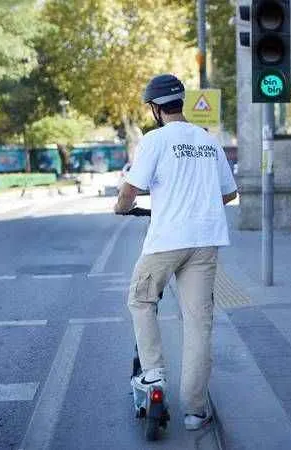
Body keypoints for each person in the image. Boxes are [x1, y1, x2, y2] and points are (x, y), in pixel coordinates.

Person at [114, 74, 238, 431]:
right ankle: (196, 411)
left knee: (141, 299)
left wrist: (122, 207)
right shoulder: (208, 140)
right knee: (198, 321)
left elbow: (130, 190)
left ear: (155, 109)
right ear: (181, 102)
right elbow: (229, 193)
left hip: (167, 241)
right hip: (206, 241)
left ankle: (153, 375)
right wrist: (200, 204)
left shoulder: (155, 140)